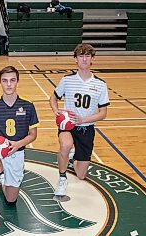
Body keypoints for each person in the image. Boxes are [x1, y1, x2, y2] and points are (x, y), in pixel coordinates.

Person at [0, 66, 39, 227]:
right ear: (0, 82)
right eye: (5, 81)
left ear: (17, 82)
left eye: (12, 80)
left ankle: (5, 179)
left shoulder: (28, 106)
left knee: (11, 199)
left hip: (17, 153)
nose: (9, 84)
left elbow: (33, 134)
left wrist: (17, 144)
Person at [49, 43, 110, 197]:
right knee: (66, 144)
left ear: (92, 59)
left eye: (87, 56)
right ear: (75, 59)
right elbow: (53, 98)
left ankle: (71, 156)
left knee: (81, 174)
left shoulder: (100, 85)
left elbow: (103, 113)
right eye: (81, 56)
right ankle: (62, 178)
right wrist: (56, 111)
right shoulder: (67, 80)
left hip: (86, 128)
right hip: (68, 125)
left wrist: (83, 119)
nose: (84, 59)